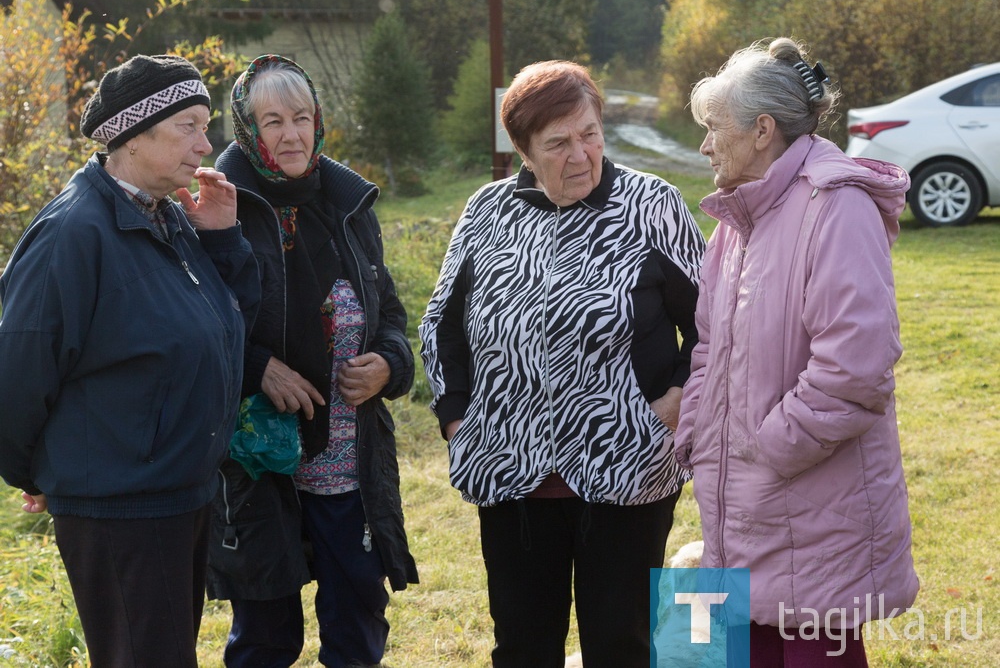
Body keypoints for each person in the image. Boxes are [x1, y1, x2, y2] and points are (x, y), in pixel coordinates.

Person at [419, 60, 706, 668]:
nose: (580, 155)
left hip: (628, 465)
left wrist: (678, 398)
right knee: (522, 646)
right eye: (557, 143)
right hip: (510, 469)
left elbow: (713, 325)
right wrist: (457, 421)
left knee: (621, 644)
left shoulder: (652, 205)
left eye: (590, 134)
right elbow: (440, 323)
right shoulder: (487, 212)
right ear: (522, 150)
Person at [0, 54, 260, 667]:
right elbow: (17, 375)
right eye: (188, 126)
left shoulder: (168, 215)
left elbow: (225, 331)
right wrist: (42, 472)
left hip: (178, 491)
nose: (207, 143)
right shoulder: (73, 234)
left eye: (206, 124)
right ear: (133, 134)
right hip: (122, 506)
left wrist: (223, 240)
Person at [674, 37, 919, 666]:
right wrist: (701, 435)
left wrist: (766, 446)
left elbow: (855, 370)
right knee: (728, 655)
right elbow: (708, 348)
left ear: (761, 130)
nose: (704, 146)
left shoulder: (837, 207)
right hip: (740, 508)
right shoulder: (736, 221)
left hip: (810, 516)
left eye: (713, 128)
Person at [205, 55, 418, 668]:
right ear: (247, 130)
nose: (292, 135)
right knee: (267, 632)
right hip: (258, 460)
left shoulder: (347, 205)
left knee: (356, 615)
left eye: (302, 118)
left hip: (347, 460)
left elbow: (391, 314)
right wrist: (259, 366)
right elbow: (203, 326)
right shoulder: (221, 206)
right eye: (273, 122)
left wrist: (387, 363)